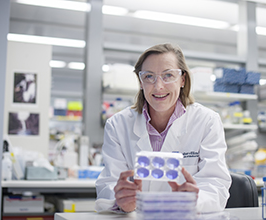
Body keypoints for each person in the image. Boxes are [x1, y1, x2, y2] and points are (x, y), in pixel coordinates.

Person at [95, 43, 231, 214]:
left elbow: (216, 184)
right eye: (149, 76)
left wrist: (196, 199)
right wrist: (122, 201)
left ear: (182, 79)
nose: (158, 86)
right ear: (141, 81)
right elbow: (109, 182)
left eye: (168, 75)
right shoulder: (117, 125)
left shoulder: (207, 121)